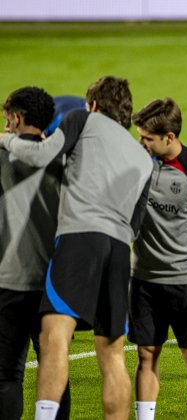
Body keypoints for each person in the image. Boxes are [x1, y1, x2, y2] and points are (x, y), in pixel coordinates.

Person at [0, 75, 154, 419]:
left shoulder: (83, 119)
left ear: (95, 104)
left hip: (81, 237)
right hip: (119, 250)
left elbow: (42, 155)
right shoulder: (143, 157)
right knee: (113, 354)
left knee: (54, 336)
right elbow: (135, 223)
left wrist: (6, 140)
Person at [129, 98, 187, 420]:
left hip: (185, 282)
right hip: (143, 280)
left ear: (169, 137)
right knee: (146, 353)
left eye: (147, 138)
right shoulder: (138, 164)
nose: (141, 143)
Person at [0, 87, 70, 419]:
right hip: (55, 282)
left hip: (9, 278)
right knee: (54, 367)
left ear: (15, 118)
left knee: (7, 373)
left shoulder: (2, 154)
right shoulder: (63, 157)